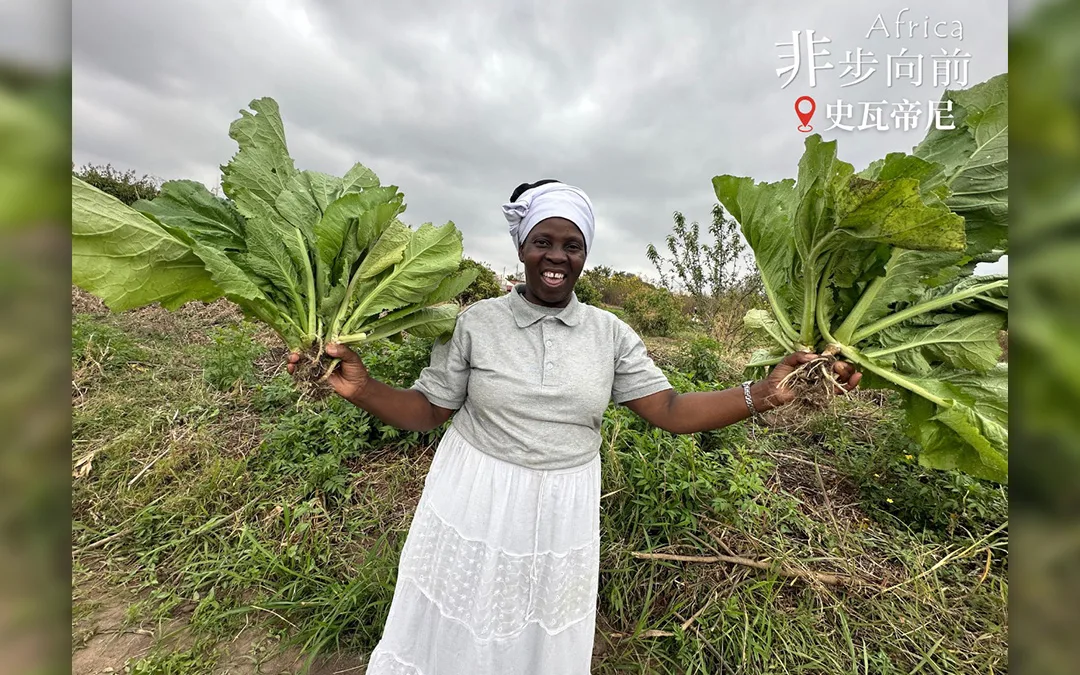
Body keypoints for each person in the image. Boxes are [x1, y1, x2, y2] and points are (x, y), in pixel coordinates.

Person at [288, 180, 861, 674]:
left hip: (562, 506)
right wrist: (362, 389)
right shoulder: (475, 323)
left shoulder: (609, 334)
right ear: (522, 248)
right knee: (462, 611)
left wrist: (761, 394)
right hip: (475, 496)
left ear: (585, 254)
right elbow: (429, 411)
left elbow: (669, 410)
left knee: (538, 628)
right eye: (543, 241)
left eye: (571, 244)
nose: (555, 256)